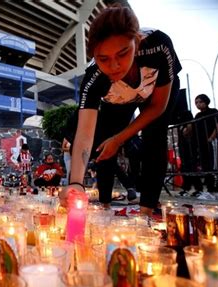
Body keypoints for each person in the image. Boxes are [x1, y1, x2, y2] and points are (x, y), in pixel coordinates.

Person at [60, 5, 181, 216]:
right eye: (103, 59)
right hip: (118, 99)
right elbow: (85, 133)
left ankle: (146, 211)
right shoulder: (94, 78)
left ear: (137, 41)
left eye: (123, 53)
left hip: (155, 92)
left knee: (155, 137)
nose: (114, 66)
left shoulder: (158, 46)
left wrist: (121, 138)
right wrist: (77, 183)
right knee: (104, 145)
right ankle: (105, 201)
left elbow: (158, 106)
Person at [193, 94, 218, 200]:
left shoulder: (213, 111)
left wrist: (211, 138)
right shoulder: (197, 116)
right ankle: (209, 190)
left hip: (211, 142)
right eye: (196, 102)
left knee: (213, 165)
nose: (198, 104)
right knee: (205, 166)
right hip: (201, 143)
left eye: (200, 101)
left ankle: (214, 191)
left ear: (206, 101)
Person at [176, 110, 203, 197]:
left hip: (190, 148)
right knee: (185, 168)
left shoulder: (190, 124)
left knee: (192, 168)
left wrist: (187, 128)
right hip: (183, 148)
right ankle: (186, 188)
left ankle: (198, 189)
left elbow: (189, 132)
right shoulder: (181, 125)